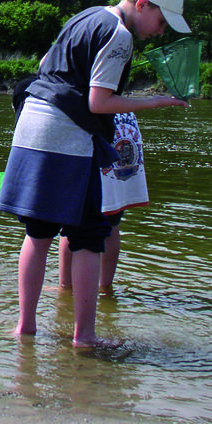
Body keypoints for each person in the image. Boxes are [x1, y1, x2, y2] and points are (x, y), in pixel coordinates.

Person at [0, 0, 190, 346]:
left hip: (31, 124)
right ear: (143, 4)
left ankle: (25, 329)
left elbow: (44, 63)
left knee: (38, 232)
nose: (161, 31)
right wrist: (155, 101)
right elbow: (98, 102)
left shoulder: (87, 15)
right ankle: (84, 338)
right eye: (162, 21)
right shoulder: (119, 35)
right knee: (88, 235)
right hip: (67, 135)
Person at [59, 111, 148, 294]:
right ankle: (105, 288)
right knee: (112, 221)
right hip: (121, 123)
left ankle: (66, 287)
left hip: (101, 127)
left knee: (72, 222)